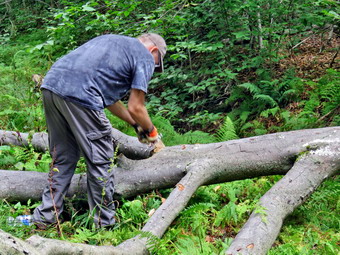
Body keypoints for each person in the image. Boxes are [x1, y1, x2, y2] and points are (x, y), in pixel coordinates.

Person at [33, 33, 167, 228]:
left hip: (52, 86)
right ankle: (104, 226)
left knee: (62, 157)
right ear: (154, 51)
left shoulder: (111, 42)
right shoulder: (143, 55)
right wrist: (151, 132)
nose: (153, 68)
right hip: (81, 95)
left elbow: (111, 100)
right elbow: (136, 107)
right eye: (156, 64)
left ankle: (45, 218)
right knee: (101, 160)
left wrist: (136, 125)